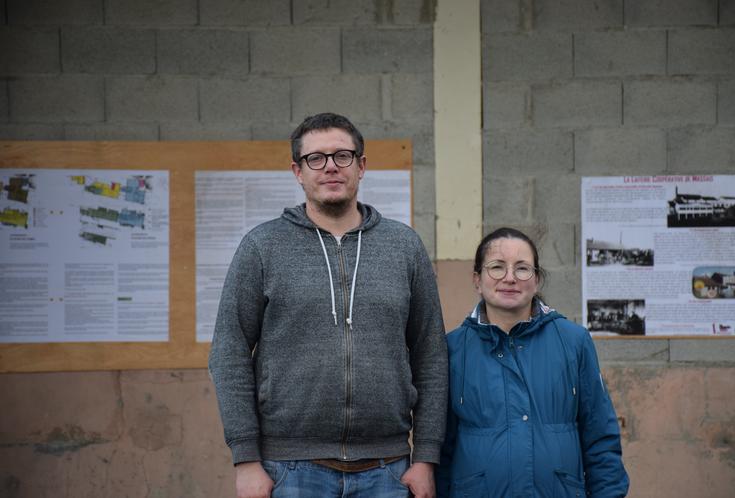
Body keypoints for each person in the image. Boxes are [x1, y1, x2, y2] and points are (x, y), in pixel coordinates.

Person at [209, 112, 448, 498]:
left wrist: (425, 457)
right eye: (315, 158)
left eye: (343, 156)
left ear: (362, 166)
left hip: (387, 469)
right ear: (297, 171)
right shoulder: (262, 247)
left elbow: (431, 355)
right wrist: (246, 460)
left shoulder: (404, 247)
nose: (330, 167)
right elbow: (229, 351)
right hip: (289, 470)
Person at [435, 227, 629, 497]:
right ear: (477, 280)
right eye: (497, 267)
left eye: (522, 268)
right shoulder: (453, 349)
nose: (510, 278)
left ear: (536, 280)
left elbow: (600, 437)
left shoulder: (573, 342)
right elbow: (440, 448)